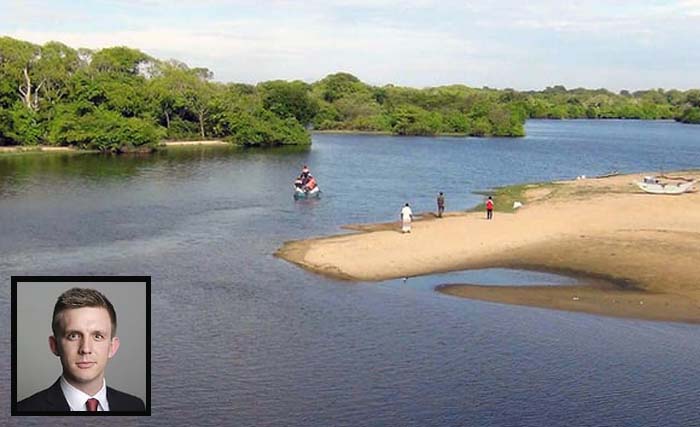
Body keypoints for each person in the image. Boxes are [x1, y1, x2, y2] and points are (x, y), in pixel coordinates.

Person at [16, 288, 145, 413]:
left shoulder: (135, 406)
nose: (85, 349)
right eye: (73, 336)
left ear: (112, 347)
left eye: (97, 336)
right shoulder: (24, 410)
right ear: (54, 345)